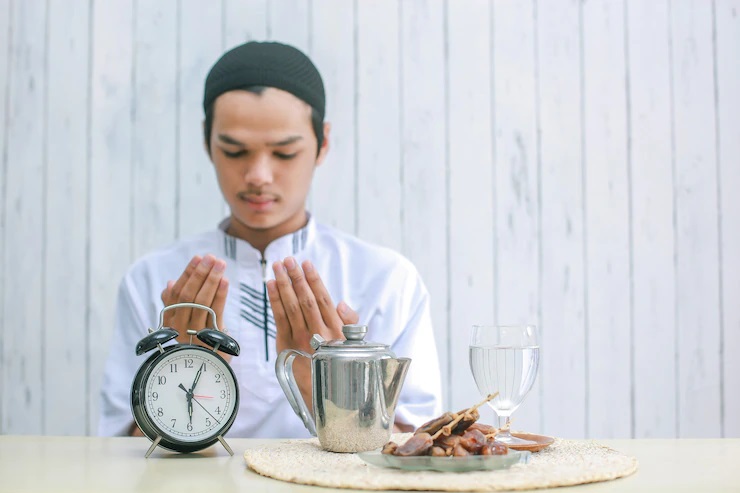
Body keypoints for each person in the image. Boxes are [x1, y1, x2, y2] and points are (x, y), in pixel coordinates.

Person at [98, 41, 442, 438]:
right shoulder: (153, 280)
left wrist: (326, 390)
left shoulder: (387, 281)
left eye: (284, 153)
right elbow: (120, 454)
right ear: (207, 141)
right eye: (235, 150)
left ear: (322, 144)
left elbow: (420, 448)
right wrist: (182, 371)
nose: (259, 174)